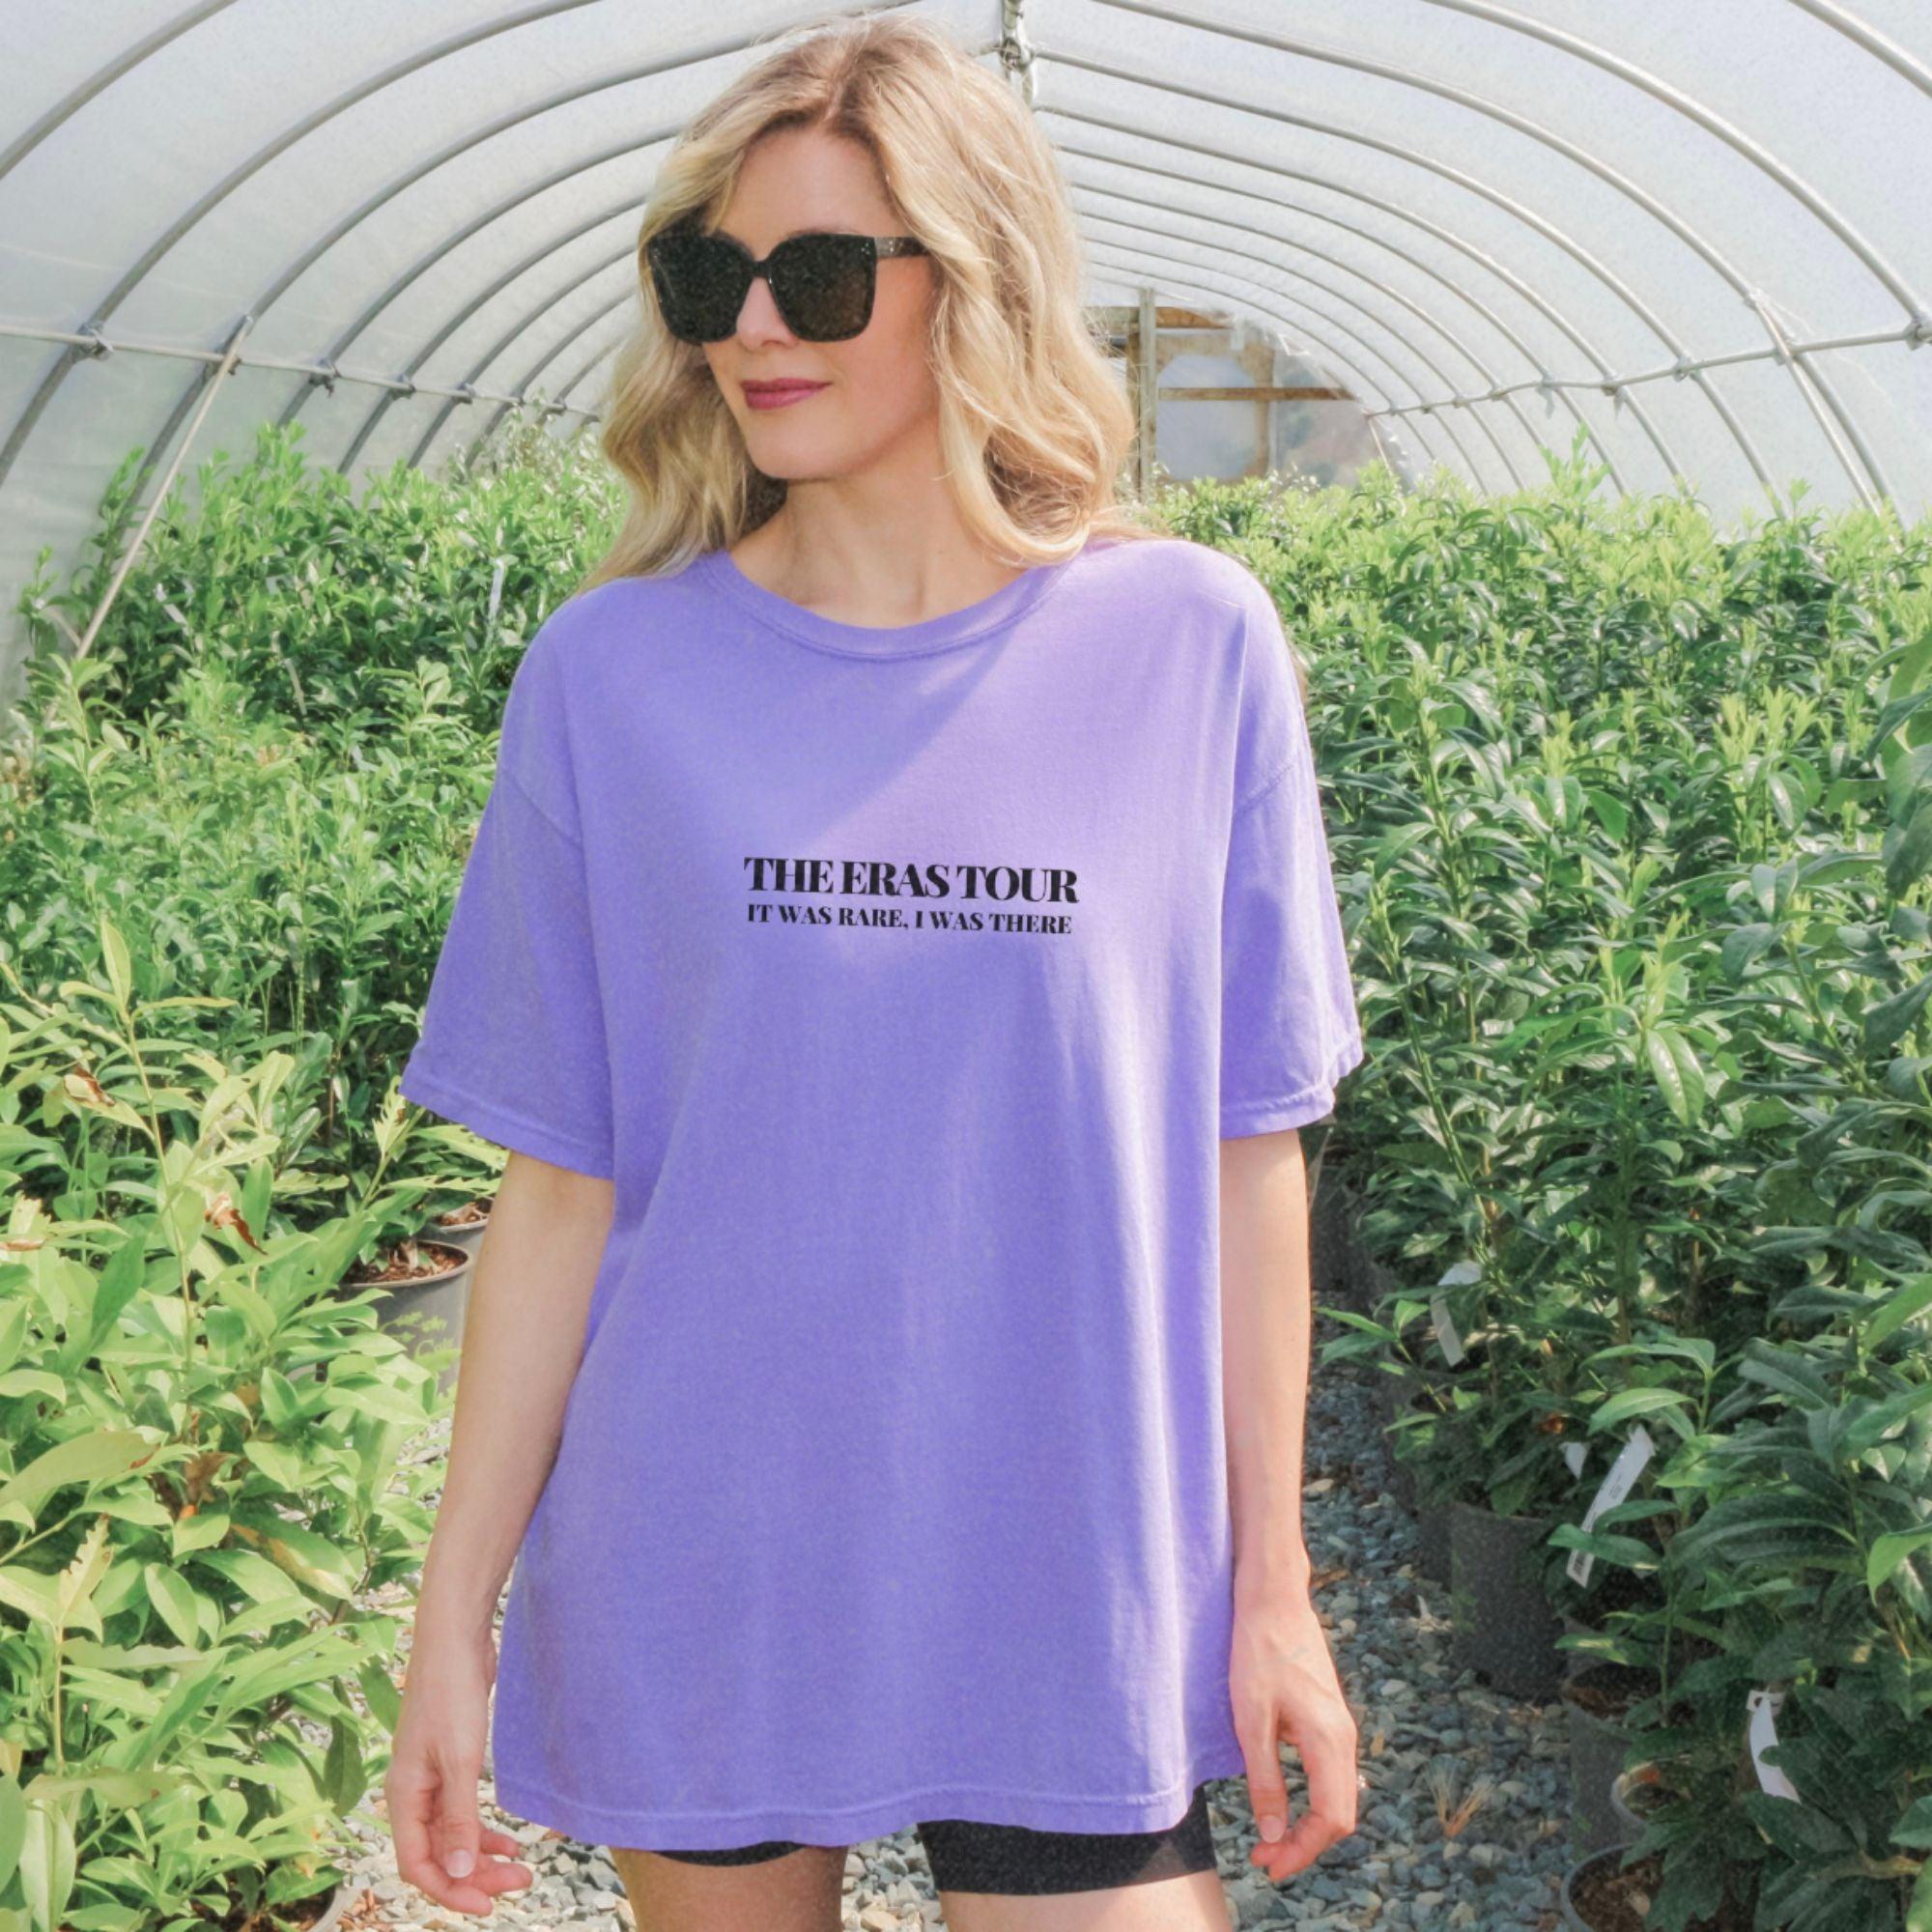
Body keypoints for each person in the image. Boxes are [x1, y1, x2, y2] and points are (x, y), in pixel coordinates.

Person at [384, 14, 1366, 1930]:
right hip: (709, 1553)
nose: (752, 326)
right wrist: (450, 1621)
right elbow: (564, 1189)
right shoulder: (613, 679)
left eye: (823, 275)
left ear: (971, 290)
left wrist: (1274, 1590)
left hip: (1070, 1573)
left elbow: (1255, 1149)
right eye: (707, 275)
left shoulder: (1189, 646)